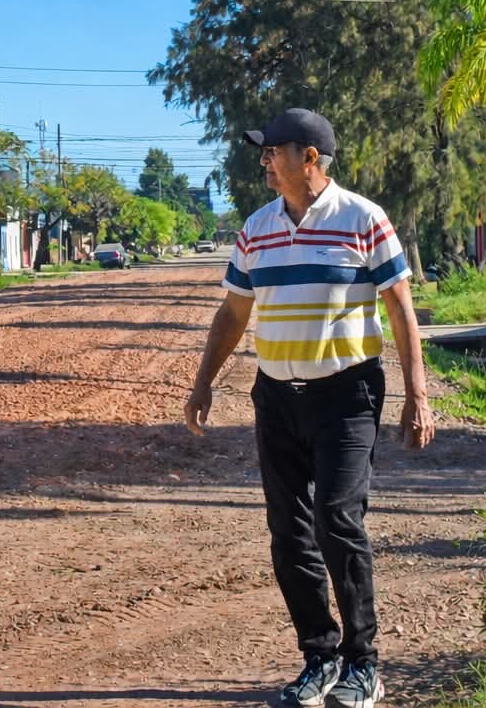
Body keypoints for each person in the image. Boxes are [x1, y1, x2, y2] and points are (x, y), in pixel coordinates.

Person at [183, 108, 435, 708]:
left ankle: (363, 665)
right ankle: (318, 658)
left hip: (346, 396)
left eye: (273, 151)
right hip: (275, 397)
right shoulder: (256, 228)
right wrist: (203, 382)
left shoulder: (363, 219)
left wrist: (417, 395)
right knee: (289, 534)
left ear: (310, 158)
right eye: (264, 152)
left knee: (336, 522)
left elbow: (400, 308)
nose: (265, 160)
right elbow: (233, 313)